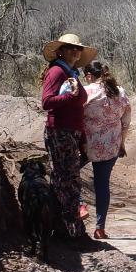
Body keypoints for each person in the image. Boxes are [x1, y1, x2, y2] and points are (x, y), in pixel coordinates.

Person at [39, 32, 96, 244]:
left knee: (65, 181)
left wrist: (81, 138)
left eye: (78, 49)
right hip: (60, 132)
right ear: (60, 51)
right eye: (71, 48)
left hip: (69, 133)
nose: (75, 51)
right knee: (68, 182)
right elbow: (46, 101)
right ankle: (72, 234)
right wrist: (68, 96)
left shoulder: (70, 73)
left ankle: (62, 230)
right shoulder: (56, 72)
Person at [82, 59, 133, 240]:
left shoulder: (85, 92)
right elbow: (126, 121)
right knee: (102, 185)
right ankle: (100, 228)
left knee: (67, 174)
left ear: (89, 76)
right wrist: (122, 144)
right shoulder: (120, 91)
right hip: (111, 145)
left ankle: (79, 207)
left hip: (86, 145)